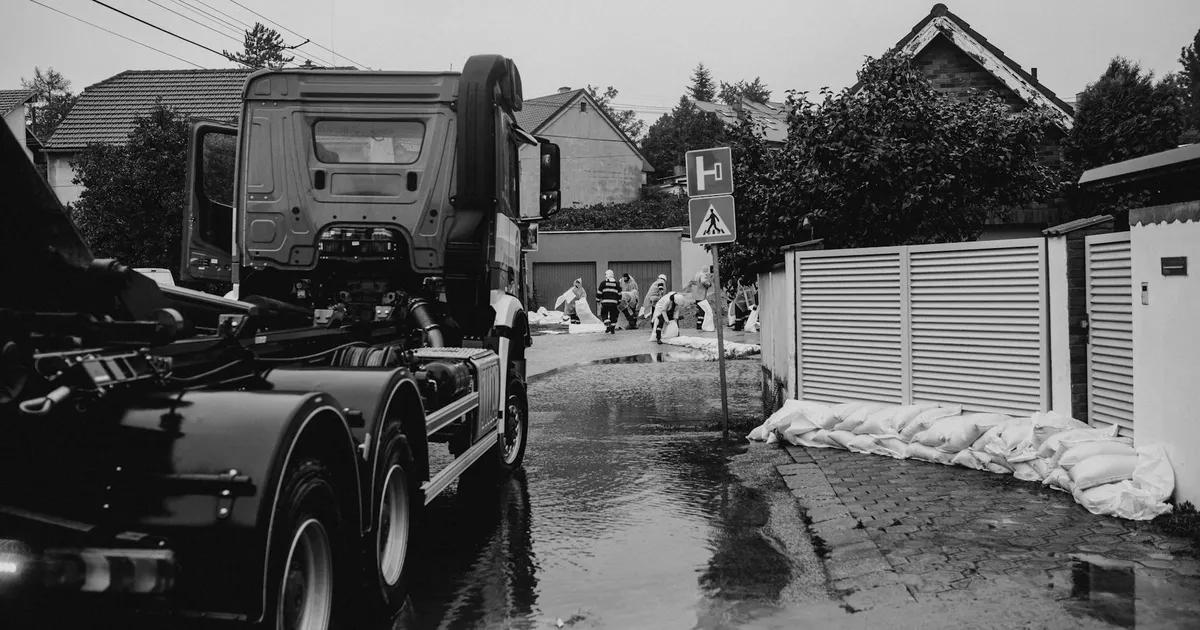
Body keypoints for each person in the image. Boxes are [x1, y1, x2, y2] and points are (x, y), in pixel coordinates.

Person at [596, 270, 621, 334]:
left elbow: (599, 292)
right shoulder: (616, 284)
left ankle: (607, 324)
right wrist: (618, 302)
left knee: (604, 313)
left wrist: (598, 300)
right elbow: (620, 294)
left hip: (605, 303)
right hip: (614, 303)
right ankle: (612, 328)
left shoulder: (603, 283)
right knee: (613, 315)